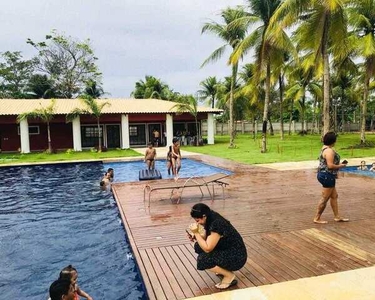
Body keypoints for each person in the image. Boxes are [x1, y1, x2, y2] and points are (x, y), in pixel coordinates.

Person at [188, 203, 247, 290]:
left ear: (204, 216)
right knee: (198, 247)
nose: (198, 223)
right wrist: (196, 236)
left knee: (203, 259)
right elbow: (209, 237)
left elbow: (208, 248)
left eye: (198, 220)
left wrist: (196, 233)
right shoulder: (211, 216)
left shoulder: (217, 223)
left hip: (237, 257)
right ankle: (222, 269)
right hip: (227, 248)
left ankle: (229, 276)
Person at [314, 132, 349, 224]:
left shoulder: (325, 148)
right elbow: (330, 166)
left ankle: (337, 217)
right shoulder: (329, 151)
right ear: (333, 141)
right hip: (327, 176)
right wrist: (341, 166)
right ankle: (317, 218)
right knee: (324, 198)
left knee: (334, 196)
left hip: (327, 175)